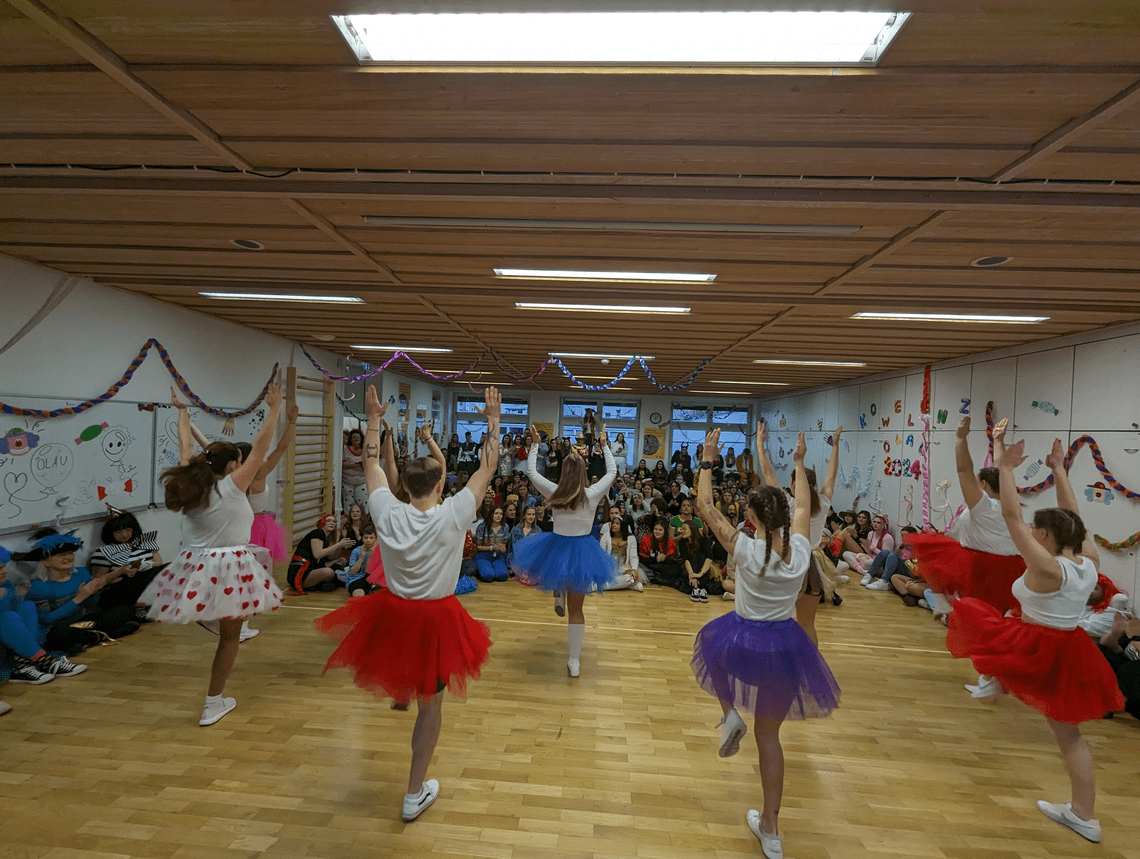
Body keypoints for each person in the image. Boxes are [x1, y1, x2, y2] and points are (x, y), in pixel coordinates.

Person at [314, 384, 499, 823]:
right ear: (439, 484)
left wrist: (373, 420)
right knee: (431, 706)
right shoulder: (454, 513)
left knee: (415, 687)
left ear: (408, 486)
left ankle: (414, 781)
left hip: (393, 613)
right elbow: (486, 472)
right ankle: (413, 792)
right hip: (434, 619)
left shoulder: (386, 510)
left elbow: (373, 464)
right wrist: (492, 421)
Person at [944, 421, 1123, 843]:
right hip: (1068, 646)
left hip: (1040, 646)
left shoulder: (1045, 566)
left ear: (1043, 535)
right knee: (1068, 734)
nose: (1031, 532)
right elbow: (1075, 519)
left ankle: (1083, 815)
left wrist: (1005, 467)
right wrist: (1059, 470)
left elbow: (1009, 514)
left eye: (1036, 530)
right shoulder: (1088, 561)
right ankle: (1083, 813)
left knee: (980, 627)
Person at [692, 429, 840, 859]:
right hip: (785, 648)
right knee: (769, 739)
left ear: (753, 519)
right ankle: (771, 832)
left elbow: (705, 506)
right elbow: (805, 507)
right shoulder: (800, 546)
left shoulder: (743, 549)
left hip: (744, 641)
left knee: (709, 649)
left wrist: (707, 459)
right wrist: (798, 462)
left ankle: (729, 714)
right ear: (785, 514)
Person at [142, 382, 285, 726]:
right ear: (234, 464)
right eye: (239, 459)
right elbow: (261, 449)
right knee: (230, 638)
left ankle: (214, 686)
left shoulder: (191, 484)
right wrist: (274, 409)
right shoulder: (234, 487)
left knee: (225, 630)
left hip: (193, 563)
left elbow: (185, 446)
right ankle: (213, 702)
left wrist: (181, 412)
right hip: (230, 564)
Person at [908, 415, 1027, 696]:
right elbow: (1002, 470)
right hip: (1013, 568)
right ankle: (994, 674)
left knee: (983, 625)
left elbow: (964, 470)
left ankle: (990, 676)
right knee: (997, 622)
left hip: (986, 568)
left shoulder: (983, 506)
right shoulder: (1014, 505)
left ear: (984, 486)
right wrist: (997, 441)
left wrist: (960, 439)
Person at [513, 422, 619, 677]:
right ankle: (574, 660)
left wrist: (536, 444)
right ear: (583, 471)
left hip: (557, 546)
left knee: (560, 576)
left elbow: (530, 471)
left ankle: (559, 591)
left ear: (563, 470)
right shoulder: (591, 493)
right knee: (577, 609)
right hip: (581, 549)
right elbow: (613, 472)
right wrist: (604, 446)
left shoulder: (555, 490)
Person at [758, 422, 843, 646]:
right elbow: (832, 475)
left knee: (776, 621)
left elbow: (767, 471)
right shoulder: (823, 503)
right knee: (807, 625)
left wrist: (760, 443)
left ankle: (778, 661)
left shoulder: (788, 503)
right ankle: (809, 668)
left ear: (795, 485)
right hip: (811, 566)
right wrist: (835, 446)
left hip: (788, 564)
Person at [1, 543, 86, 686]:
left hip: (24, 639)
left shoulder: (6, 585)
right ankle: (44, 660)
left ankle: (25, 663)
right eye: (0, 569)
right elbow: (47, 619)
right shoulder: (38, 585)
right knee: (8, 617)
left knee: (26, 606)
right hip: (46, 630)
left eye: (3, 567)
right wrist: (80, 598)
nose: (4, 571)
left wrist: (18, 596)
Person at [86, 508, 164, 623]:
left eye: (128, 530)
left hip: (144, 585)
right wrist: (121, 571)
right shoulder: (104, 551)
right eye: (118, 532)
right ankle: (139, 610)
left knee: (168, 568)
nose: (124, 534)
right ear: (110, 532)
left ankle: (148, 606)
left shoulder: (144, 543)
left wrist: (145, 565)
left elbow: (159, 563)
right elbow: (98, 581)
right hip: (118, 592)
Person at [287, 515, 353, 594]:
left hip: (313, 567)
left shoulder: (326, 538)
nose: (332, 523)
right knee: (329, 572)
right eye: (328, 521)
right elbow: (317, 555)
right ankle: (328, 582)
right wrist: (339, 544)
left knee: (342, 560)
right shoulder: (318, 533)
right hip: (300, 572)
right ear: (322, 523)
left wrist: (342, 540)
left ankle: (325, 583)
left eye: (334, 521)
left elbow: (332, 557)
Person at [599, 517, 642, 591]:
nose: (614, 525)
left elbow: (634, 557)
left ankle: (601, 585)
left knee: (630, 577)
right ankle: (630, 584)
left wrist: (634, 569)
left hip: (625, 568)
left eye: (617, 523)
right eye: (613, 523)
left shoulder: (631, 538)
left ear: (623, 525)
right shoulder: (606, 536)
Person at [474, 506, 510, 582]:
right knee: (488, 576)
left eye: (501, 513)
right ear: (491, 514)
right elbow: (478, 547)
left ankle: (494, 568)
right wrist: (493, 547)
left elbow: (504, 543)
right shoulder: (482, 527)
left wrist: (503, 548)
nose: (499, 516)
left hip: (498, 555)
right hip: (483, 555)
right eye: (496, 513)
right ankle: (480, 569)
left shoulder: (505, 527)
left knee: (502, 576)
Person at [345, 524, 379, 597]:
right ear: (362, 539)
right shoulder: (356, 551)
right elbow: (353, 571)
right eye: (366, 538)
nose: (368, 540)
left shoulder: (379, 551)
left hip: (372, 579)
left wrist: (371, 555)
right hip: (356, 578)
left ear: (376, 539)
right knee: (359, 596)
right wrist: (361, 557)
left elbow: (368, 571)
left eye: (371, 538)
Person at [342, 427, 367, 510]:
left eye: (358, 437)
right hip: (347, 480)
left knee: (363, 502)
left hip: (361, 481)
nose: (356, 439)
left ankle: (364, 521)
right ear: (350, 439)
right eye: (354, 437)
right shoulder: (345, 449)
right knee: (348, 503)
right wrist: (356, 465)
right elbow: (341, 464)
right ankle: (349, 521)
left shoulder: (365, 450)